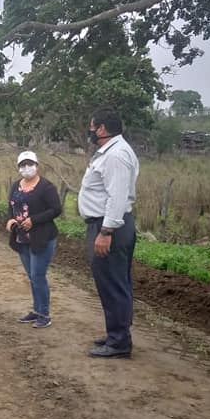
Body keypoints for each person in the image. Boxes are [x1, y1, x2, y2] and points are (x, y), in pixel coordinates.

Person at [78, 109, 140, 358]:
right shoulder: (112, 151)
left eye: (92, 126)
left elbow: (117, 196)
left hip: (109, 227)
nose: (90, 131)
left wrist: (105, 232)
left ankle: (119, 342)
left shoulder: (115, 155)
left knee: (113, 284)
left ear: (102, 128)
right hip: (108, 225)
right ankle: (116, 333)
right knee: (112, 283)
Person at [5, 151, 62, 328]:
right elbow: (11, 206)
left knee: (38, 275)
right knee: (32, 276)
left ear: (36, 166)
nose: (26, 168)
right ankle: (36, 311)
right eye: (23, 165)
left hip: (42, 237)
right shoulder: (16, 186)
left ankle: (44, 314)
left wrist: (34, 220)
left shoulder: (46, 187)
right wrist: (10, 220)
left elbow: (56, 209)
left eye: (30, 164)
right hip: (22, 238)